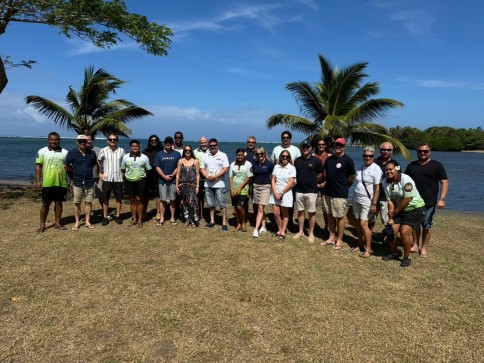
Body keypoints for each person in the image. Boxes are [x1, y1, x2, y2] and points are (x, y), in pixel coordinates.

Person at [405, 143, 449, 258]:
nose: (422, 153)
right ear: (417, 152)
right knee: (415, 225)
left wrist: (442, 199)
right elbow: (405, 182)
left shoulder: (437, 165)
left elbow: (444, 182)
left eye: (425, 151)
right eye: (420, 151)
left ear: (430, 151)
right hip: (413, 201)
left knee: (426, 225)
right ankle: (415, 245)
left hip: (429, 202)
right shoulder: (411, 166)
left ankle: (423, 248)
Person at [382, 161, 426, 267]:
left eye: (391, 169)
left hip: (414, 209)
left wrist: (395, 213)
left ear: (397, 169)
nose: (388, 171)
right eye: (386, 169)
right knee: (390, 231)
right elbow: (390, 201)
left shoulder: (406, 180)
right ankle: (393, 253)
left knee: (404, 232)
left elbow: (407, 199)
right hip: (399, 209)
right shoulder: (385, 182)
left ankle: (407, 257)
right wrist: (391, 216)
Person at [320, 138, 356, 250]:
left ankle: (339, 240)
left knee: (340, 217)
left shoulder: (348, 160)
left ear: (344, 146)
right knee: (330, 215)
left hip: (340, 194)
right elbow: (328, 175)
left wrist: (344, 187)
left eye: (340, 145)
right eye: (336, 144)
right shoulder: (329, 160)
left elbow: (352, 178)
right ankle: (331, 237)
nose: (338, 146)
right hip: (327, 193)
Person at [35, 131, 68, 233]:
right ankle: (42, 225)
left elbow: (69, 168)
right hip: (47, 183)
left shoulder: (65, 152)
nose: (54, 141)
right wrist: (38, 181)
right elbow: (38, 166)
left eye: (56, 139)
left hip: (61, 182)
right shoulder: (42, 151)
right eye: (52, 139)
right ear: (48, 140)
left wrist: (72, 180)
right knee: (45, 204)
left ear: (59, 140)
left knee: (59, 203)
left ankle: (57, 223)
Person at [351, 147, 382, 257]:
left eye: (370, 156)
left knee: (364, 224)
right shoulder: (360, 168)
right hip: (356, 199)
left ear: (373, 157)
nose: (367, 158)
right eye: (365, 156)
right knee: (358, 223)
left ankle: (368, 249)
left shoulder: (376, 169)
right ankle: (360, 245)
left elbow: (377, 188)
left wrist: (374, 203)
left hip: (367, 201)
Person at [64, 134, 98, 230]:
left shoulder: (92, 153)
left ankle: (87, 221)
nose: (83, 143)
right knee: (77, 203)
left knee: (88, 202)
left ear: (87, 142)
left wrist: (87, 170)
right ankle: (77, 222)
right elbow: (66, 165)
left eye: (84, 141)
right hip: (77, 181)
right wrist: (73, 175)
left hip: (89, 181)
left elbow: (94, 164)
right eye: (80, 141)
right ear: (77, 142)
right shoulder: (72, 152)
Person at [293, 140, 323, 243]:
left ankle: (311, 233)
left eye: (307, 147)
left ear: (310, 148)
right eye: (303, 147)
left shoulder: (316, 160)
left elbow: (320, 174)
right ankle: (301, 231)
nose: (305, 149)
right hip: (299, 190)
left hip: (311, 191)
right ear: (301, 148)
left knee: (311, 213)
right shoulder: (297, 160)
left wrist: (314, 182)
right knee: (300, 211)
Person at [270, 130, 301, 230]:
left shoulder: (296, 149)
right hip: (278, 179)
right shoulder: (276, 149)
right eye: (283, 137)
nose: (285, 139)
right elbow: (273, 162)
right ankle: (281, 227)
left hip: (290, 180)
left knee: (289, 205)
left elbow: (299, 163)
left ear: (290, 139)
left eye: (287, 137)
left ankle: (289, 223)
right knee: (278, 209)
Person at [200, 138, 229, 231]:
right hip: (208, 184)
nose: (212, 147)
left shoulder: (223, 155)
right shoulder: (205, 156)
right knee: (210, 204)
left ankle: (224, 222)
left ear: (217, 145)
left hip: (219, 184)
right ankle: (212, 221)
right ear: (208, 146)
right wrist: (206, 176)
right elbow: (202, 168)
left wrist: (216, 176)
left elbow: (225, 168)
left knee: (222, 204)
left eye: (214, 145)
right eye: (211, 145)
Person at [121, 140, 152, 227]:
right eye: (133, 146)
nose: (135, 147)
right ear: (130, 147)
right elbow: (123, 169)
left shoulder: (144, 157)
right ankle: (134, 218)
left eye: (136, 146)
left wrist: (143, 176)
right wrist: (128, 176)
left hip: (140, 181)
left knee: (139, 200)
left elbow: (148, 169)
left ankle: (140, 220)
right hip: (128, 181)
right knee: (132, 200)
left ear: (139, 146)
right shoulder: (125, 157)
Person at [98, 133, 125, 226]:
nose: (112, 141)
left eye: (114, 139)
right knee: (105, 198)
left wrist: (124, 173)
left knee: (119, 198)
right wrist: (99, 173)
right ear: (107, 140)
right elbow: (98, 162)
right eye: (110, 139)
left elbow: (124, 163)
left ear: (117, 140)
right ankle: (105, 217)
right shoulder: (103, 150)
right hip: (107, 178)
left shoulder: (121, 151)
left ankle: (118, 216)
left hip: (119, 178)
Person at [153, 136, 181, 225]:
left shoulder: (177, 154)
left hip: (173, 180)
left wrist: (172, 175)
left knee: (173, 199)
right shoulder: (159, 154)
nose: (168, 144)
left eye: (170, 142)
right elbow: (157, 166)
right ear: (164, 143)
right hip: (162, 180)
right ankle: (162, 218)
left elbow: (179, 166)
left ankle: (172, 218)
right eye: (166, 142)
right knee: (163, 199)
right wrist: (164, 176)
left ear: (172, 143)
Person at [269, 150, 296, 240]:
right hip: (276, 191)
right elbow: (273, 179)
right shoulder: (276, 166)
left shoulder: (291, 168)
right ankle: (279, 229)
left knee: (285, 213)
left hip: (286, 192)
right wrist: (275, 192)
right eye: (283, 156)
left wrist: (281, 193)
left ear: (289, 158)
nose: (285, 158)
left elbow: (291, 182)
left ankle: (283, 231)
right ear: (280, 157)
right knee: (276, 213)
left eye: (286, 156)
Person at [374, 142, 400, 228]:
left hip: (386, 197)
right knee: (370, 220)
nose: (386, 151)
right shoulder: (374, 162)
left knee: (387, 221)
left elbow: (399, 179)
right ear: (380, 150)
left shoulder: (396, 164)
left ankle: (388, 240)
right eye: (383, 149)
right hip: (373, 196)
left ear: (392, 151)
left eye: (388, 150)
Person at [175, 144, 200, 227]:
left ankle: (193, 220)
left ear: (191, 151)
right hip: (183, 185)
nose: (188, 152)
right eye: (186, 150)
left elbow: (197, 174)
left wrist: (198, 186)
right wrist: (176, 185)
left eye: (189, 150)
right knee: (185, 202)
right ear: (184, 151)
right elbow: (178, 174)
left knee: (192, 202)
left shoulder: (196, 161)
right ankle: (187, 219)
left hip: (193, 185)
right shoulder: (180, 161)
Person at [252, 147, 274, 238]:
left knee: (261, 208)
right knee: (260, 209)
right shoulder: (255, 164)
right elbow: (253, 175)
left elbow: (273, 176)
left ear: (264, 154)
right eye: (257, 154)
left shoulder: (269, 164)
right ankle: (263, 227)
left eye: (261, 154)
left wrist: (273, 188)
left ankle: (256, 229)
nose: (259, 156)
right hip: (256, 187)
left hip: (266, 187)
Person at [229, 148, 253, 232]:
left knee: (240, 206)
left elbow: (248, 177)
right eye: (238, 155)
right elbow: (231, 177)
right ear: (236, 155)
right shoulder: (232, 164)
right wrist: (231, 188)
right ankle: (238, 224)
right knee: (235, 207)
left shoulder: (248, 164)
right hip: (234, 189)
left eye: (241, 155)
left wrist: (240, 187)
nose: (240, 156)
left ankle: (243, 223)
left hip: (244, 189)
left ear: (244, 155)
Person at [142, 135, 163, 221]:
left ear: (158, 141)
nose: (153, 142)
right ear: (149, 141)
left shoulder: (161, 151)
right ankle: (144, 212)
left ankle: (158, 213)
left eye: (155, 140)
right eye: (152, 140)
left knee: (158, 195)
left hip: (158, 176)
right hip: (148, 176)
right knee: (146, 195)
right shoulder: (145, 151)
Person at [313, 138, 332, 230]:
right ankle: (312, 225)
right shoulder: (313, 156)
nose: (321, 146)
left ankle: (327, 226)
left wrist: (326, 183)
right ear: (317, 146)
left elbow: (332, 172)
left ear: (325, 145)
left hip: (327, 185)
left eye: (323, 144)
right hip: (314, 184)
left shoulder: (330, 156)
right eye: (319, 144)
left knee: (326, 208)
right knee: (312, 206)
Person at [86, 134, 103, 215]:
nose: (88, 141)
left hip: (97, 176)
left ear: (92, 140)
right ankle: (90, 213)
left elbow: (103, 162)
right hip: (86, 177)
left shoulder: (98, 150)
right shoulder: (82, 150)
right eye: (86, 140)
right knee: (88, 197)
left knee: (101, 195)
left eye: (90, 139)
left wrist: (102, 173)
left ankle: (104, 211)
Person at [193, 136, 209, 220]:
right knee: (199, 196)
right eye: (202, 143)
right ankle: (200, 213)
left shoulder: (212, 151)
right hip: (199, 177)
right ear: (200, 143)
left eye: (205, 142)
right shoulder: (195, 152)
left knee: (209, 196)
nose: (204, 144)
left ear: (208, 142)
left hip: (210, 177)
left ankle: (209, 214)